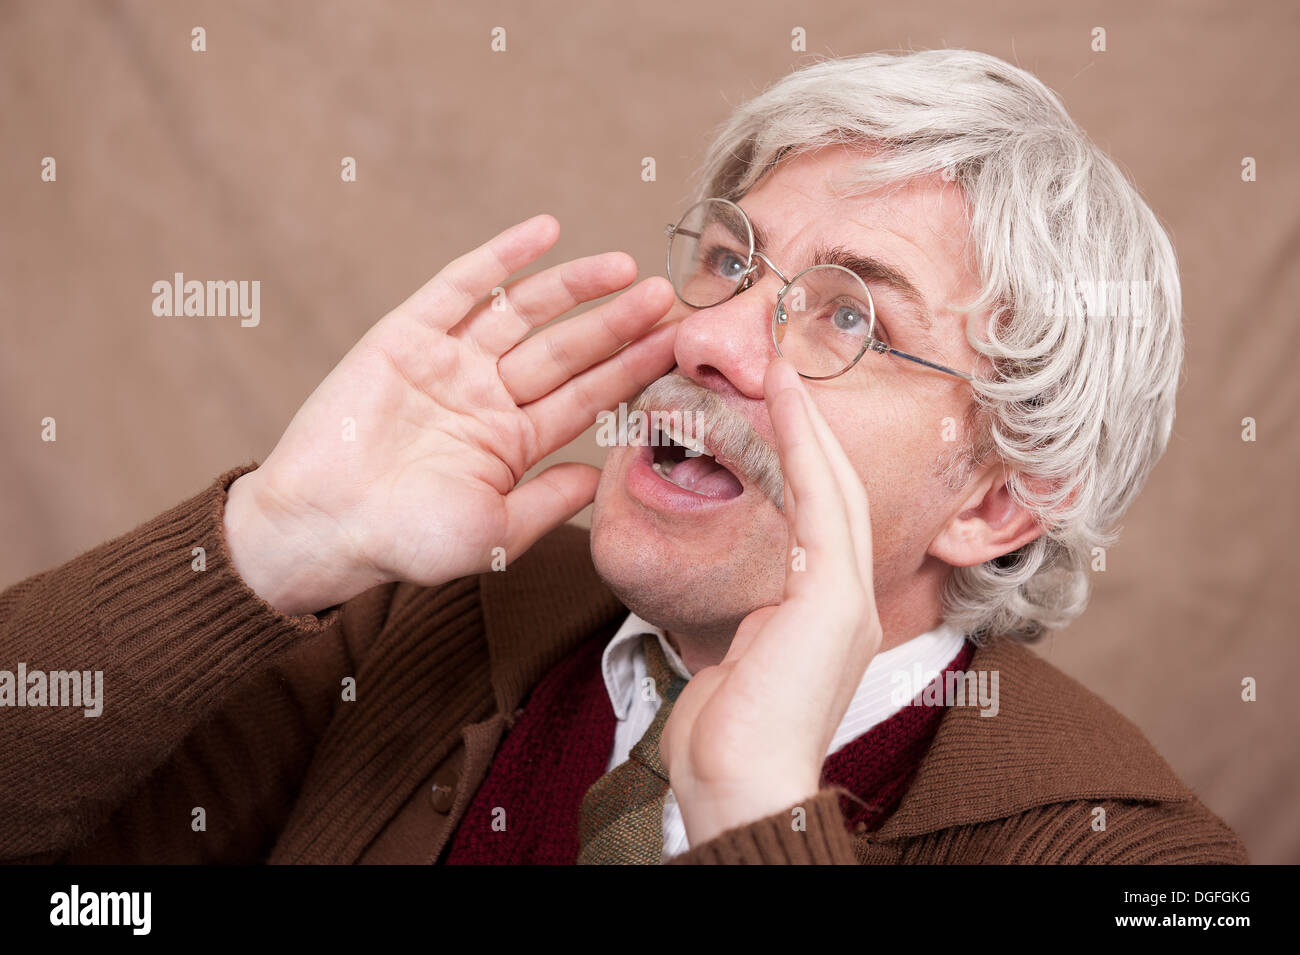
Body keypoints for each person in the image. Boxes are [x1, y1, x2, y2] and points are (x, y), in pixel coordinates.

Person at [0, 49, 1246, 864]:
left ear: (997, 500)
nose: (703, 336)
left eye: (849, 315)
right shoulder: (421, 627)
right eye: (728, 260)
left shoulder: (1134, 858)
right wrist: (265, 546)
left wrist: (759, 814)